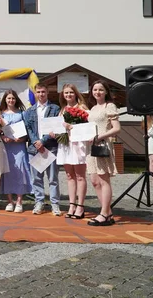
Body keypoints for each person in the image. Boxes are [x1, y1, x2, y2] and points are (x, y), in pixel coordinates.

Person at [86, 80, 121, 226]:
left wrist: (100, 136)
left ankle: (104, 213)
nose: (97, 92)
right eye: (95, 90)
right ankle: (108, 213)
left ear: (106, 91)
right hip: (91, 146)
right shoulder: (93, 108)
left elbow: (116, 128)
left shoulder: (110, 106)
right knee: (95, 181)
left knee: (103, 179)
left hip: (102, 144)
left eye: (100, 89)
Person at [24, 83, 61, 216]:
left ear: (47, 93)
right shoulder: (29, 111)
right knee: (36, 179)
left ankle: (55, 204)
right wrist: (36, 142)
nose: (41, 94)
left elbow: (55, 127)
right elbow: (28, 129)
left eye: (43, 92)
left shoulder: (55, 108)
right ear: (35, 93)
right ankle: (39, 202)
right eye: (38, 92)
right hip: (35, 149)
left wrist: (42, 141)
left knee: (53, 178)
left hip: (50, 147)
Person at [56, 84, 89, 219]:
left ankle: (80, 206)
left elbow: (87, 127)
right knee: (69, 176)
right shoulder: (63, 109)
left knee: (80, 175)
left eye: (71, 92)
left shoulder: (82, 108)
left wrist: (72, 127)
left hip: (78, 144)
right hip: (65, 144)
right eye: (66, 93)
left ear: (75, 93)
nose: (68, 95)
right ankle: (72, 204)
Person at [0, 90, 31, 213]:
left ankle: (19, 201)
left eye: (13, 98)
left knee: (20, 171)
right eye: (8, 98)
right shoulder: (1, 114)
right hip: (7, 147)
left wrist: (21, 138)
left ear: (16, 99)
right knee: (7, 172)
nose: (11, 100)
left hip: (19, 146)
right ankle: (9, 201)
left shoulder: (22, 113)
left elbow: (27, 129)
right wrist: (3, 137)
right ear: (5, 100)